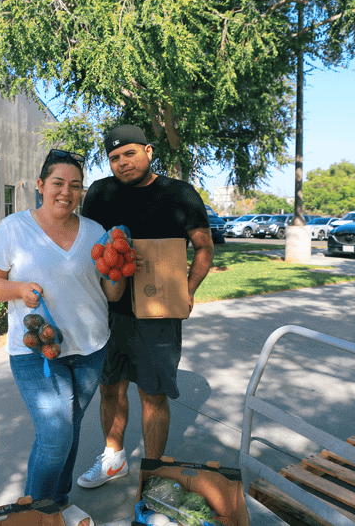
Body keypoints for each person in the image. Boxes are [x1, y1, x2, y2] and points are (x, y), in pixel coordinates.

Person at [0, 148, 126, 507]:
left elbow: (112, 293)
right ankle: (36, 513)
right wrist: (17, 289)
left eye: (76, 186)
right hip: (36, 352)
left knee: (68, 431)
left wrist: (119, 269)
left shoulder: (96, 232)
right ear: (41, 185)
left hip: (90, 350)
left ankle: (57, 502)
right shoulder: (15, 228)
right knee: (56, 434)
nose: (66, 192)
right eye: (58, 183)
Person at [77, 125, 214, 489]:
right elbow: (83, 247)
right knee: (110, 388)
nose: (122, 163)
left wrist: (188, 290)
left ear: (149, 151)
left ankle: (153, 472)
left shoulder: (179, 194)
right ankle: (113, 460)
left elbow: (204, 246)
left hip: (158, 314)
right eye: (114, 158)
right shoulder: (100, 193)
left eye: (129, 154)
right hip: (109, 313)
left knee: (152, 394)